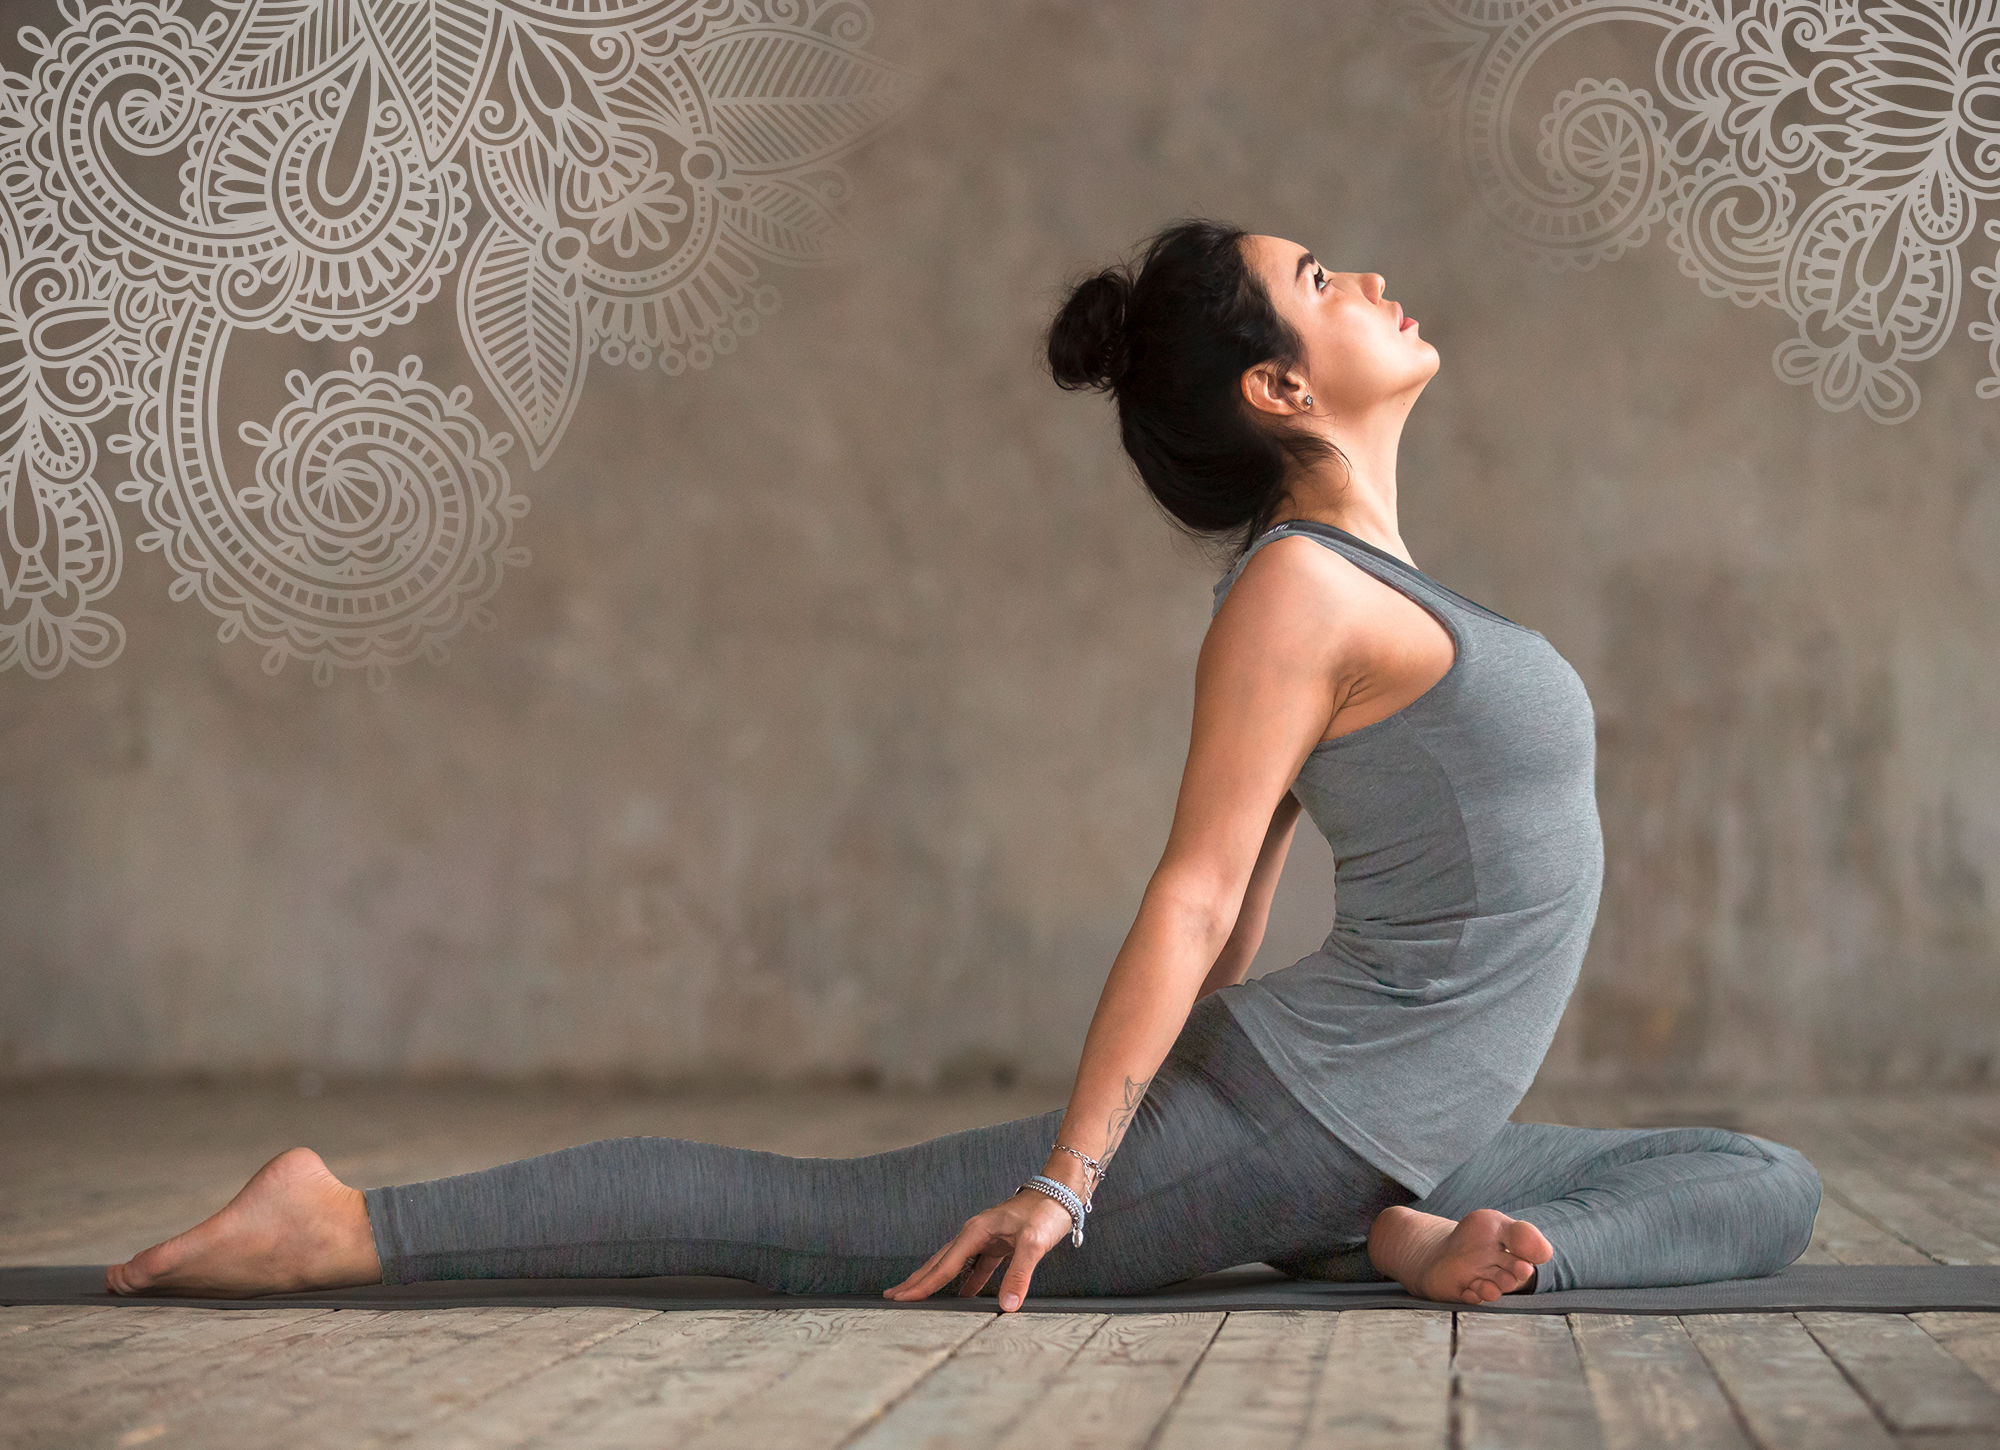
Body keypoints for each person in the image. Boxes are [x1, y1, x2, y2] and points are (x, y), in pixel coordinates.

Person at [106, 218, 1822, 1311]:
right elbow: (1199, 883)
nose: (1371, 271)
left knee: (1761, 1182)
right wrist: (1081, 1175)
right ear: (1284, 382)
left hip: (1374, 1133)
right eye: (1319, 280)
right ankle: (350, 1221)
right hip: (1297, 1114)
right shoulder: (1298, 592)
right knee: (819, 1226)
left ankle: (1402, 1236)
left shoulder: (1362, 586)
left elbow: (1257, 887)